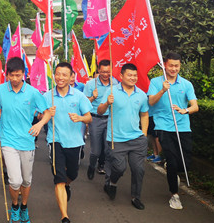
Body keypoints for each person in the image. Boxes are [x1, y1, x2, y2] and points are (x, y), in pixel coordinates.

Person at [0, 57, 51, 223]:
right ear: (7, 74)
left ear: (24, 74)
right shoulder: (0, 90)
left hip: (27, 141)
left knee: (26, 180)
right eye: (12, 75)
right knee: (15, 181)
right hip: (8, 141)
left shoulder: (32, 92)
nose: (15, 79)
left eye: (18, 75)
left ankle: (24, 206)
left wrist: (39, 124)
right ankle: (15, 207)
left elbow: (46, 113)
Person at [45, 62, 93, 223]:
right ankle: (65, 218)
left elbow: (89, 118)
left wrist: (80, 118)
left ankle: (67, 185)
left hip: (75, 142)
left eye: (64, 75)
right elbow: (40, 114)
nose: (60, 78)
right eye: (58, 74)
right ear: (54, 75)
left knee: (71, 174)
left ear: (71, 77)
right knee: (59, 178)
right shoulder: (48, 96)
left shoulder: (79, 96)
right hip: (55, 141)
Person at [148, 52, 198, 210]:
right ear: (164, 65)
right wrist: (162, 90)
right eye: (171, 66)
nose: (174, 69)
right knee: (171, 158)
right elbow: (151, 101)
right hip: (163, 126)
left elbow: (195, 106)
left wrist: (185, 110)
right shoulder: (156, 82)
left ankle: (172, 168)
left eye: (176, 66)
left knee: (185, 163)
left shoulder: (186, 84)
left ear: (180, 66)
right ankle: (174, 195)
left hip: (183, 126)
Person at [97, 63, 149, 210]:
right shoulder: (111, 91)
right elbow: (100, 111)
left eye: (135, 75)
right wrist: (107, 102)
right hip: (116, 139)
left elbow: (144, 114)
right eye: (129, 75)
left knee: (139, 169)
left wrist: (144, 135)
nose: (133, 78)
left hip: (137, 139)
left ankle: (135, 197)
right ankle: (112, 183)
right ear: (121, 76)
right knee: (120, 168)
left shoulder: (141, 94)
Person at [83, 60, 117, 179]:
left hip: (110, 119)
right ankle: (92, 165)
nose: (105, 74)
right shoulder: (91, 84)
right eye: (102, 71)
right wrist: (93, 97)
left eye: (108, 72)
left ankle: (108, 178)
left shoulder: (115, 83)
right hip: (96, 119)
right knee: (96, 151)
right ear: (98, 70)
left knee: (109, 150)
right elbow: (84, 104)